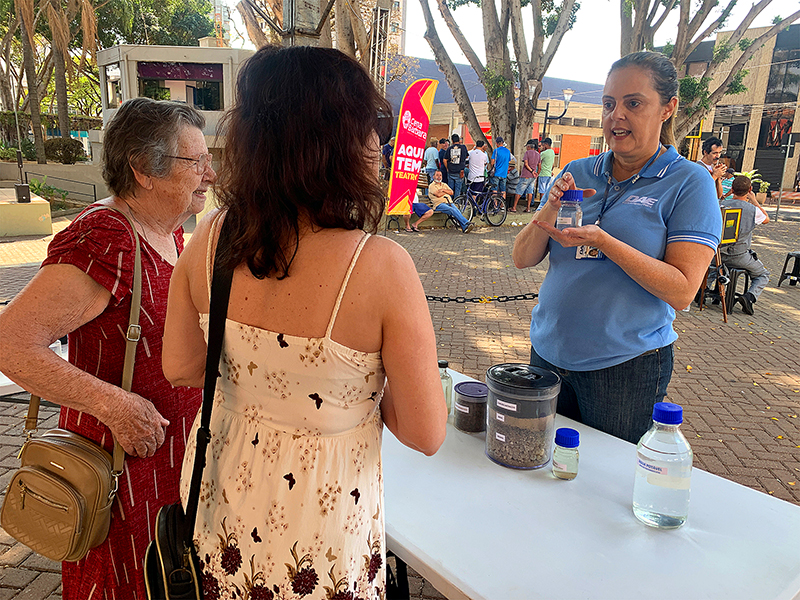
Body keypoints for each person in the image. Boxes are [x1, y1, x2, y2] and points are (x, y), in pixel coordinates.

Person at [161, 45, 447, 599]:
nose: (378, 144)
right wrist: (356, 390)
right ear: (334, 142)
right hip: (319, 523)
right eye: (369, 128)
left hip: (222, 490)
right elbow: (425, 431)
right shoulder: (381, 266)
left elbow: (179, 366)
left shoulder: (211, 237)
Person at [0, 98, 211, 599]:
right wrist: (114, 405)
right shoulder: (106, 236)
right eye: (196, 162)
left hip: (162, 464)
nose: (211, 174)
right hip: (120, 467)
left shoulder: (168, 232)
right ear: (144, 170)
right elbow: (11, 343)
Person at [511, 51, 722, 444]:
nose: (616, 116)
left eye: (633, 103)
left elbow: (682, 291)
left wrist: (605, 242)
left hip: (625, 368)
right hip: (548, 352)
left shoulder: (688, 182)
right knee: (538, 466)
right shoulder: (578, 171)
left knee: (604, 486)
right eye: (609, 104)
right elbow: (522, 258)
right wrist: (552, 205)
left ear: (667, 108)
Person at [720, 175, 770, 315]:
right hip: (740, 255)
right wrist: (754, 201)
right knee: (763, 274)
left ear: (732, 189)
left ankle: (705, 290)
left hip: (717, 255)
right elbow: (766, 219)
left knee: (713, 269)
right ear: (750, 190)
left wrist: (725, 197)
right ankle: (749, 297)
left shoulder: (720, 205)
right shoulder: (752, 210)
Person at [512, 139, 541, 212]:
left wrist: (531, 171)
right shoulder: (538, 154)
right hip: (533, 177)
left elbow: (526, 164)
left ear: (529, 146)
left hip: (526, 175)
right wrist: (536, 173)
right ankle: (528, 208)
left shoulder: (527, 153)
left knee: (519, 191)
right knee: (530, 192)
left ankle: (514, 207)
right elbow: (539, 166)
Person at [444, 133, 468, 197]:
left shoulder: (449, 148)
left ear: (452, 141)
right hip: (460, 171)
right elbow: (466, 156)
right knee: (458, 189)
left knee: (450, 189)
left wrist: (447, 168)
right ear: (459, 140)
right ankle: (456, 204)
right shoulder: (463, 147)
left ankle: (450, 203)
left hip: (451, 171)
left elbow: (445, 160)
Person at [490, 136, 511, 200]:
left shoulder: (496, 151)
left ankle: (495, 205)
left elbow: (492, 162)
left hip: (496, 173)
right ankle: (502, 206)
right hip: (504, 174)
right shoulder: (508, 151)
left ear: (496, 143)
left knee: (494, 190)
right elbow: (509, 161)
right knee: (503, 190)